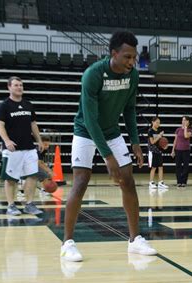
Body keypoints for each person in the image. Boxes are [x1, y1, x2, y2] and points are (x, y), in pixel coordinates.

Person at [61, 30, 157, 262]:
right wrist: (108, 157)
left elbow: (130, 109)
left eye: (134, 57)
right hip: (85, 130)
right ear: (113, 53)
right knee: (81, 181)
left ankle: (134, 240)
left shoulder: (132, 75)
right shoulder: (93, 75)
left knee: (128, 181)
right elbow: (91, 119)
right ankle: (67, 243)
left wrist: (135, 141)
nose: (132, 62)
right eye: (127, 57)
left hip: (112, 131)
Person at [0, 76, 44, 216]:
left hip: (29, 147)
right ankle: (11, 205)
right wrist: (7, 141)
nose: (19, 87)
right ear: (9, 87)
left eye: (21, 85)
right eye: (16, 85)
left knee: (32, 176)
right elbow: (0, 125)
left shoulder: (28, 104)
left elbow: (33, 124)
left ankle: (29, 204)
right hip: (12, 149)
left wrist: (39, 140)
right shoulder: (4, 105)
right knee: (11, 178)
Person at [171, 116, 192, 187]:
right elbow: (175, 140)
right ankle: (179, 181)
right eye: (182, 120)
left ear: (188, 122)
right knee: (178, 166)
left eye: (185, 120)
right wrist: (173, 150)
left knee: (185, 166)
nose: (183, 122)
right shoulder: (178, 130)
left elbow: (186, 136)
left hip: (186, 150)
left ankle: (184, 181)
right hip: (178, 150)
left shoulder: (190, 130)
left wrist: (185, 128)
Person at [148, 117, 168, 190]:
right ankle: (151, 182)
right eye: (157, 122)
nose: (158, 124)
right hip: (153, 151)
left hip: (159, 151)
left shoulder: (159, 130)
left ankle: (160, 183)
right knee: (153, 167)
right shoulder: (150, 131)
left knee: (160, 167)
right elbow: (152, 142)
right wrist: (159, 136)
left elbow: (160, 142)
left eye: (159, 123)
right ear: (152, 122)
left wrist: (164, 146)